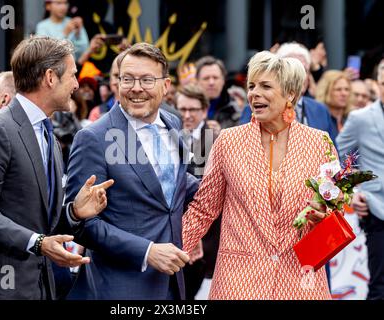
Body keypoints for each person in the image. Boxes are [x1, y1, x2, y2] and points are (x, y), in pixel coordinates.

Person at [0, 37, 113, 300]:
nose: (76, 84)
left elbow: (37, 220)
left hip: (39, 289)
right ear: (50, 77)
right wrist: (38, 244)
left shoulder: (49, 135)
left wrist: (74, 212)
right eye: (73, 75)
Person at [182, 51, 335, 300]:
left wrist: (323, 221)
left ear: (290, 95)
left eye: (265, 86)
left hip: (301, 281)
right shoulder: (228, 142)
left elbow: (334, 217)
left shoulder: (321, 143)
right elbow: (203, 209)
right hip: (238, 282)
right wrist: (172, 252)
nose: (254, 93)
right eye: (251, 86)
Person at [65, 42, 199, 300]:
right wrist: (147, 251)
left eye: (147, 80)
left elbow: (173, 184)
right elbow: (82, 224)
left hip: (172, 284)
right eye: (128, 79)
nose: (136, 88)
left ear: (166, 86)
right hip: (117, 288)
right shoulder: (93, 138)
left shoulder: (171, 123)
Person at [336, 61, 384, 300]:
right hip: (377, 210)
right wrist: (352, 193)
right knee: (379, 284)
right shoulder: (360, 118)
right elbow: (336, 158)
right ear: (377, 85)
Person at [241, 43, 338, 141]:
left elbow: (333, 153)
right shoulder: (254, 109)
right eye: (292, 73)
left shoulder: (320, 110)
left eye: (304, 71)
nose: (299, 78)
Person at [176, 84, 219, 300]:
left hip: (208, 240)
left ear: (204, 110)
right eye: (182, 109)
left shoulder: (217, 140)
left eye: (192, 110)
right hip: (175, 236)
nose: (187, 115)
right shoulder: (168, 138)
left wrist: (197, 233)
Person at [195, 56, 243, 129]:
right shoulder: (185, 109)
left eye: (215, 78)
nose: (211, 82)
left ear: (223, 80)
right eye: (206, 78)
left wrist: (221, 135)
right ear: (197, 81)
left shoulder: (235, 112)